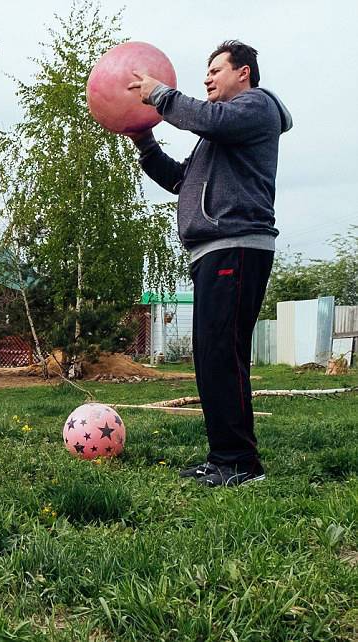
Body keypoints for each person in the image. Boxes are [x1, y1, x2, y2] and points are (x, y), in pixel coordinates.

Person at [128, 40, 292, 486]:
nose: (207, 78)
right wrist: (145, 144)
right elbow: (182, 180)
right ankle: (226, 458)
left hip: (237, 244)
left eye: (216, 70)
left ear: (244, 74)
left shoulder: (256, 107)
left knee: (221, 354)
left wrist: (161, 96)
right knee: (214, 356)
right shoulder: (219, 137)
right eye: (206, 71)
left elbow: (206, 116)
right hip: (215, 249)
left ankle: (238, 462)